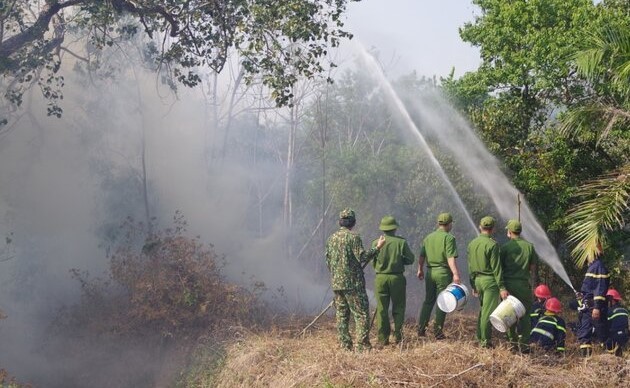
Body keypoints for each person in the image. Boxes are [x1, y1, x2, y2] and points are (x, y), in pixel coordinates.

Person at [325, 208, 385, 352]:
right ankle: (362, 347)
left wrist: (338, 274)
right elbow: (363, 257)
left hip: (337, 284)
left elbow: (328, 261)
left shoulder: (331, 238)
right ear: (353, 222)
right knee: (361, 314)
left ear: (340, 222)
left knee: (341, 315)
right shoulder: (354, 237)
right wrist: (378, 248)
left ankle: (345, 346)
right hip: (353, 284)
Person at [371, 216, 415, 346]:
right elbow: (411, 259)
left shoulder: (375, 243)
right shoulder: (401, 242)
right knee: (399, 307)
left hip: (380, 278)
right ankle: (398, 337)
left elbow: (372, 261)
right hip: (397, 278)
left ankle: (383, 339)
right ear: (395, 228)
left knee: (381, 309)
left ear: (382, 229)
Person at [417, 212, 461, 340]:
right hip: (443, 273)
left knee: (428, 301)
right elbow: (450, 258)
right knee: (442, 301)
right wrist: (456, 274)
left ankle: (421, 329)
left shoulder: (428, 238)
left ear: (438, 223)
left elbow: (421, 256)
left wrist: (420, 269)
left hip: (430, 272)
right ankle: (438, 332)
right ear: (449, 224)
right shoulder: (449, 238)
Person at [467, 216, 508, 348]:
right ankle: (485, 342)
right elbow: (496, 268)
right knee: (487, 312)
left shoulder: (472, 243)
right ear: (493, 229)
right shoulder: (492, 245)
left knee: (483, 310)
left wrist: (473, 284)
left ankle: (480, 337)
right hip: (489, 281)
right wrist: (502, 287)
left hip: (477, 280)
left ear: (480, 227)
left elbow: (470, 267)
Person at [500, 219, 538, 353]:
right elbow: (533, 269)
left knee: (509, 315)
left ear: (509, 232)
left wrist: (502, 287)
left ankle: (513, 342)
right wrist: (532, 286)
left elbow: (500, 269)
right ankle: (525, 345)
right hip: (524, 285)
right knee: (526, 315)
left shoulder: (504, 248)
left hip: (509, 286)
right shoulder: (529, 246)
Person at [576, 242, 609, 357]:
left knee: (602, 333)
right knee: (584, 333)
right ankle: (585, 361)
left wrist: (597, 307)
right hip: (588, 308)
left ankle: (612, 359)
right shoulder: (592, 266)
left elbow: (600, 288)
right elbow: (591, 289)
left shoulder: (598, 266)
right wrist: (582, 295)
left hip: (594, 308)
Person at [604, 288, 628, 357]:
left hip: (614, 338)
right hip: (625, 337)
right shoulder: (625, 310)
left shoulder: (610, 311)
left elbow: (606, 326)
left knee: (602, 342)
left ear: (611, 300)